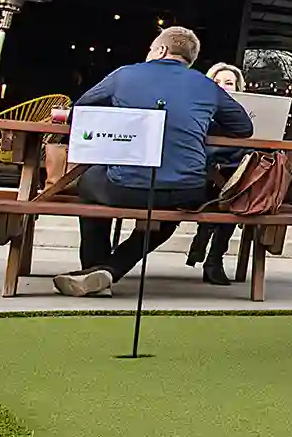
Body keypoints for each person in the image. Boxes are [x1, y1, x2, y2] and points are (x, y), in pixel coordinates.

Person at [53, 27, 254, 297]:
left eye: (150, 49)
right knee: (167, 215)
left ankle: (93, 269)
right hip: (186, 189)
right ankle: (111, 270)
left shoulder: (125, 74)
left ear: (160, 50)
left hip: (124, 185)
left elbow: (81, 111)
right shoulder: (206, 85)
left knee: (89, 186)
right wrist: (198, 123)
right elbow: (243, 127)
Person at [185, 61, 247, 286]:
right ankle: (211, 257)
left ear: (238, 88)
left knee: (234, 193)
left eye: (229, 83)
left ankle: (212, 256)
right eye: (216, 82)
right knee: (227, 195)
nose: (222, 86)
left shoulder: (246, 119)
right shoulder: (195, 110)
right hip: (198, 178)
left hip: (231, 181)